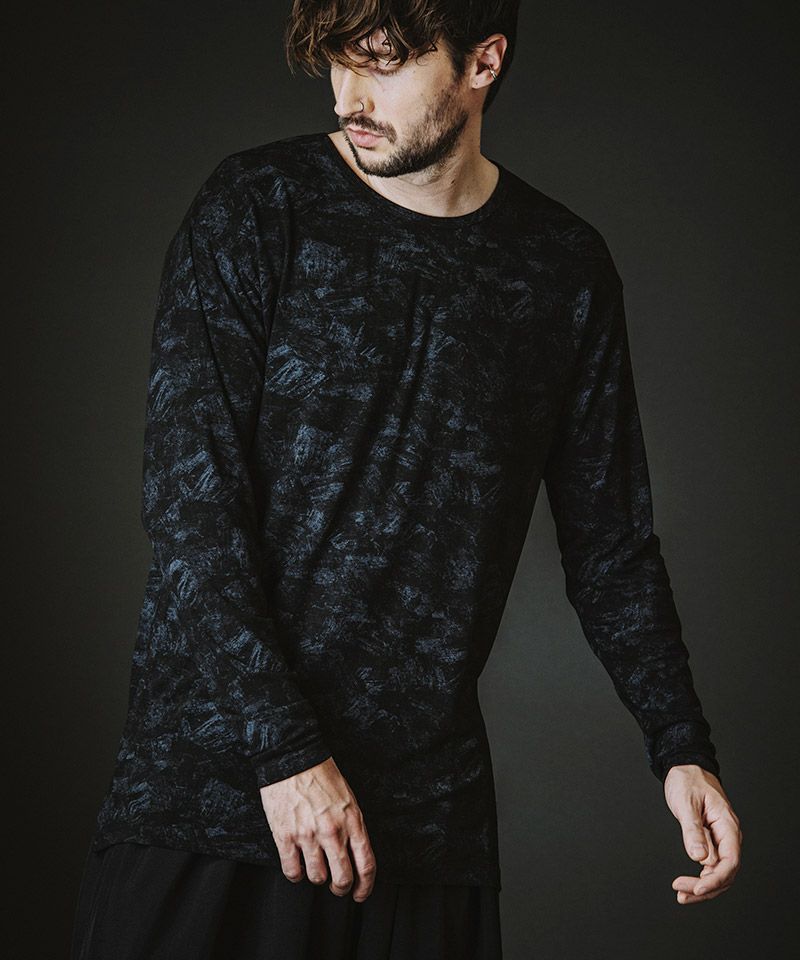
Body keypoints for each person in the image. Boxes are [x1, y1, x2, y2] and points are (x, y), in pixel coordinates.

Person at [70, 2, 743, 957]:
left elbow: (613, 546)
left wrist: (680, 746)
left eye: (383, 64)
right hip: (211, 804)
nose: (348, 97)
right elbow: (191, 505)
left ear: (483, 63)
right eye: (337, 63)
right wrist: (287, 753)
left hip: (424, 834)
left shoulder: (562, 268)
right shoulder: (257, 206)